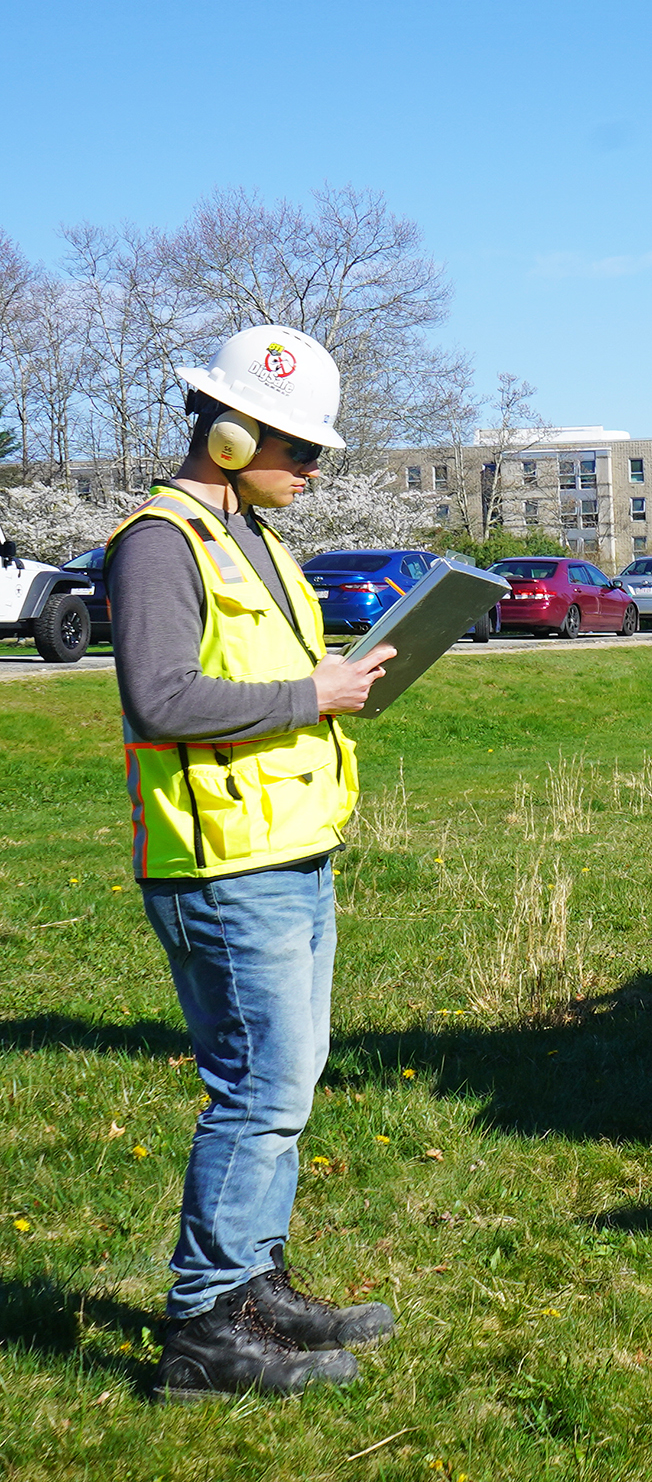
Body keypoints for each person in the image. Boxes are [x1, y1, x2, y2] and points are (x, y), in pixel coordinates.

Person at [108, 325, 400, 1401]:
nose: (315, 471)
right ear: (231, 434)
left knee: (288, 1081)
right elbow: (162, 699)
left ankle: (253, 1285)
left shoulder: (256, 539)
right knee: (257, 1090)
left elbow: (260, 675)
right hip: (223, 866)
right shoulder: (159, 540)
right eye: (302, 449)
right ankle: (204, 1327)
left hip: (288, 850)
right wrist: (308, 696)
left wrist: (331, 677)